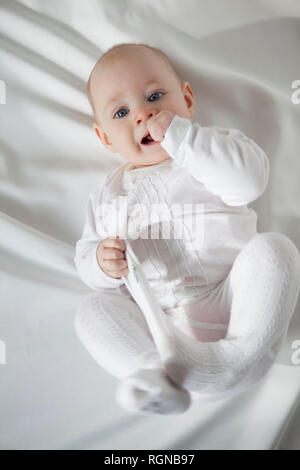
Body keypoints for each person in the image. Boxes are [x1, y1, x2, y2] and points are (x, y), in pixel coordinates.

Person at [73, 42, 300, 415]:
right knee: (92, 309)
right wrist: (99, 262)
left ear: (188, 99)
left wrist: (182, 137)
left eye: (155, 96)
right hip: (163, 325)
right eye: (121, 111)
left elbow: (249, 182)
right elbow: (85, 258)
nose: (143, 114)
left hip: (235, 298)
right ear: (105, 139)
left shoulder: (212, 148)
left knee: (276, 250)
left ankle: (239, 360)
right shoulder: (107, 195)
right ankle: (151, 373)